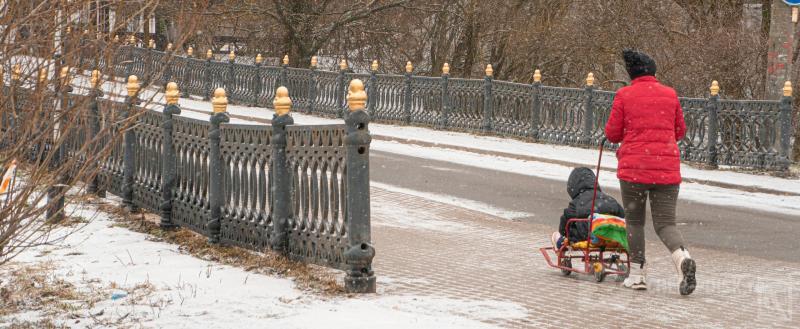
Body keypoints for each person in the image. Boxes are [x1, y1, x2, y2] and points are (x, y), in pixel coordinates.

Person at [604, 49, 696, 295]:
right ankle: (682, 257)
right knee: (666, 223)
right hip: (666, 169)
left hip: (634, 169)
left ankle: (637, 275)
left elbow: (612, 133)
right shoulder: (670, 94)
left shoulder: (624, 95)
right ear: (654, 72)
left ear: (632, 74)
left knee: (635, 222)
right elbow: (679, 131)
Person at [551, 167, 625, 250]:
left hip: (587, 235)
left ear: (573, 187)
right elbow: (622, 215)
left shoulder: (577, 201)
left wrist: (564, 233)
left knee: (564, 231)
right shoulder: (609, 198)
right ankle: (602, 235)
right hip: (612, 236)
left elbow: (566, 218)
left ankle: (560, 243)